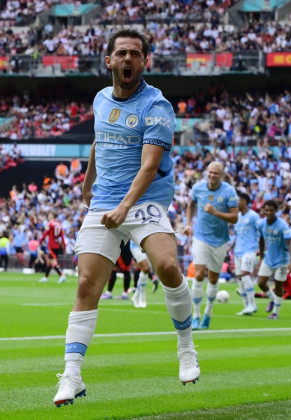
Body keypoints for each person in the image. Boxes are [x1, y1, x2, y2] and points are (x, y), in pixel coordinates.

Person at [53, 29, 198, 408]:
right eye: (122, 53)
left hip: (145, 198)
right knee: (87, 284)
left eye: (136, 53)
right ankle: (72, 374)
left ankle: (186, 346)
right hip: (105, 200)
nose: (128, 59)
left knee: (166, 265)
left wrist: (123, 207)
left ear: (145, 61)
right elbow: (100, 141)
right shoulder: (101, 99)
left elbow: (149, 167)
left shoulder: (157, 107)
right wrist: (88, 182)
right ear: (110, 61)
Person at [183, 161, 239, 330]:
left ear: (222, 175)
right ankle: (196, 316)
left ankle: (208, 313)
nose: (212, 175)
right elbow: (191, 205)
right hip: (200, 236)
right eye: (210, 172)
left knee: (213, 278)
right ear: (206, 173)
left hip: (220, 239)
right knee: (199, 274)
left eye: (216, 173)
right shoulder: (198, 188)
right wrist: (188, 224)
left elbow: (234, 218)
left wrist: (215, 212)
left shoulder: (229, 191)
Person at [256, 200, 291, 320]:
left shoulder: (282, 225)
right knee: (261, 283)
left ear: (276, 211)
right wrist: (261, 257)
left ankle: (275, 313)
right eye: (266, 210)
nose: (268, 212)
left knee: (278, 284)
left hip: (282, 260)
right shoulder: (261, 224)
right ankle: (273, 300)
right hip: (268, 258)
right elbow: (261, 240)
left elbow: (290, 244)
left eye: (271, 210)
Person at [232, 191, 261, 316]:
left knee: (244, 275)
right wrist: (230, 248)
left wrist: (260, 249)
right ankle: (246, 307)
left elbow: (261, 232)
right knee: (239, 278)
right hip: (238, 251)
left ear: (244, 201)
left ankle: (252, 304)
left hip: (250, 250)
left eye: (238, 200)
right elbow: (237, 235)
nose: (236, 203)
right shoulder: (237, 217)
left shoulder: (253, 216)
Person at [39, 212, 67, 284]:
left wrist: (40, 242)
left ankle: (62, 275)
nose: (48, 216)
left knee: (53, 262)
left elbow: (45, 233)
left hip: (51, 245)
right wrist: (64, 247)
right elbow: (62, 237)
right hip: (57, 245)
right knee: (49, 262)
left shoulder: (50, 224)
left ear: (52, 216)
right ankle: (45, 277)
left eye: (49, 214)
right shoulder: (59, 224)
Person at [130, 239, 159, 308]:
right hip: (135, 244)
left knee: (146, 269)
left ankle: (136, 296)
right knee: (146, 268)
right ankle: (142, 296)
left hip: (147, 244)